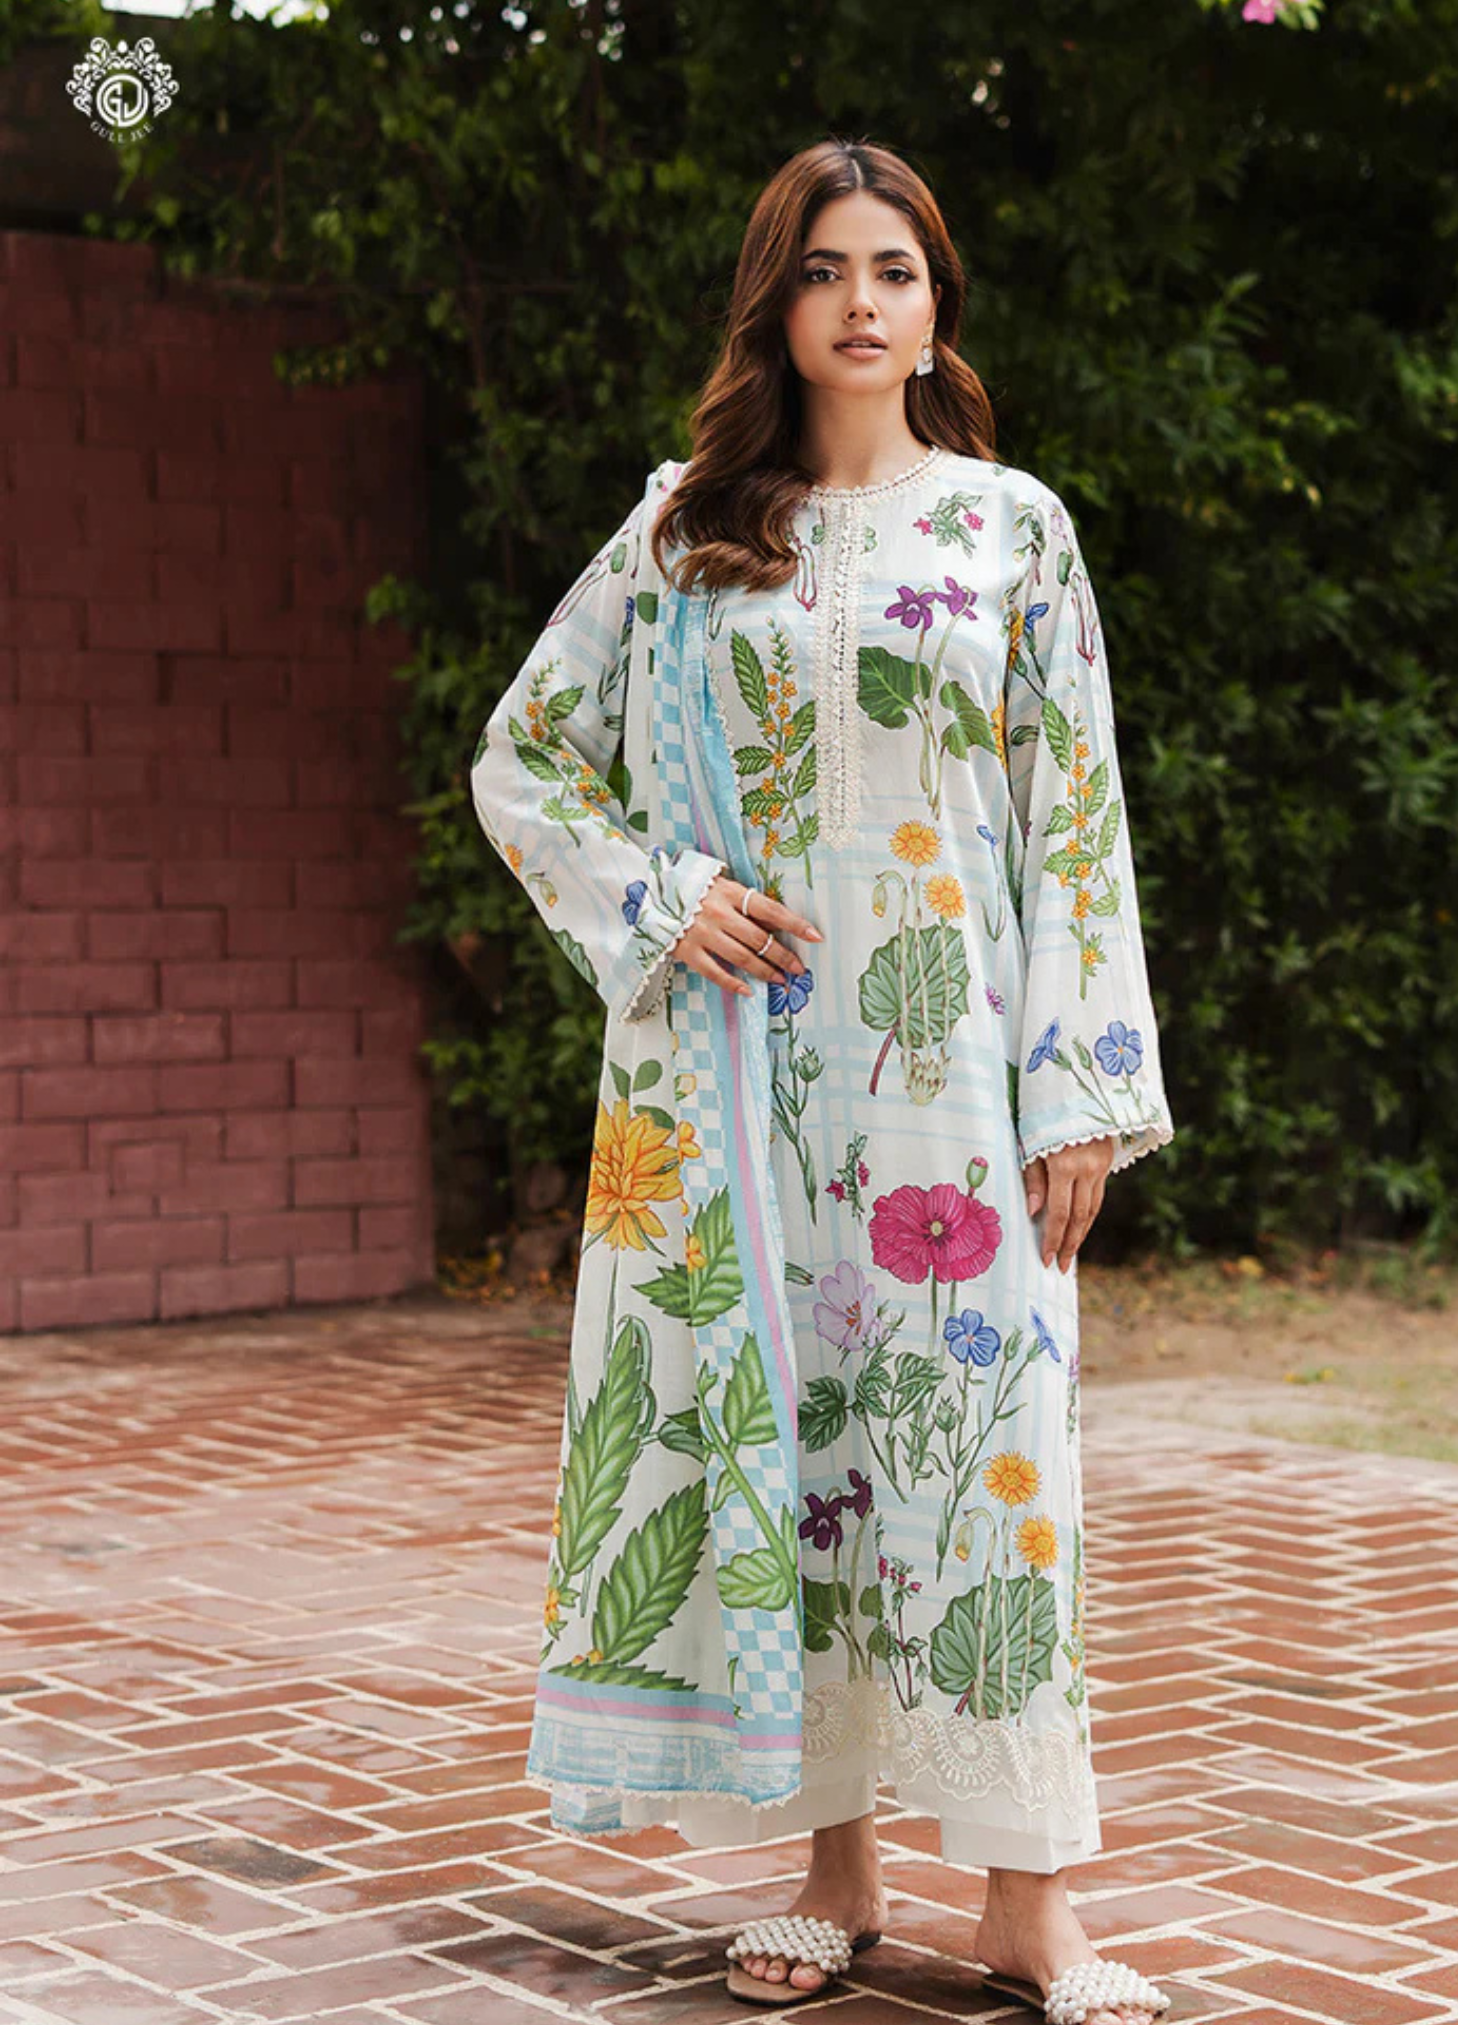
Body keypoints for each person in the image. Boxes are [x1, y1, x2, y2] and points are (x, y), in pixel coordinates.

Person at [469, 136, 1176, 2025]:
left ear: (937, 309)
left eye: (896, 270)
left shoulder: (1012, 527)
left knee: (990, 1466)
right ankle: (833, 1873)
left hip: (955, 1083)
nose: (862, 303)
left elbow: (1074, 815)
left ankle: (1028, 1903)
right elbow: (525, 756)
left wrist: (1080, 1088)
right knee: (797, 1468)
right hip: (741, 1090)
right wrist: (665, 898)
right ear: (774, 303)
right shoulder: (688, 531)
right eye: (824, 270)